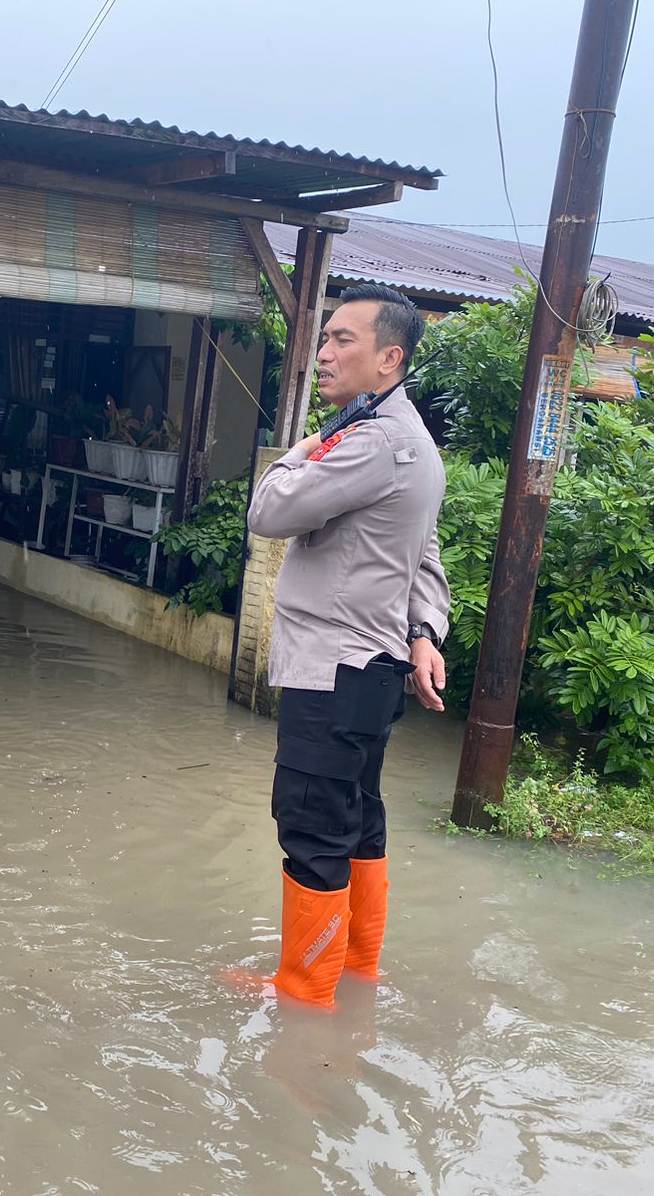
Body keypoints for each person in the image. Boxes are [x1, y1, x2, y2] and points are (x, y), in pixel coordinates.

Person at [245, 283, 450, 1008]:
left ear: (389, 358)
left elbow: (267, 512)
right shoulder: (411, 440)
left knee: (311, 822)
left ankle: (303, 999)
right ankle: (357, 971)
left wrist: (297, 452)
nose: (325, 354)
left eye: (342, 342)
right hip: (373, 668)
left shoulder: (371, 442)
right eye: (325, 339)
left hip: (333, 670)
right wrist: (425, 633)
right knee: (356, 815)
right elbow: (423, 560)